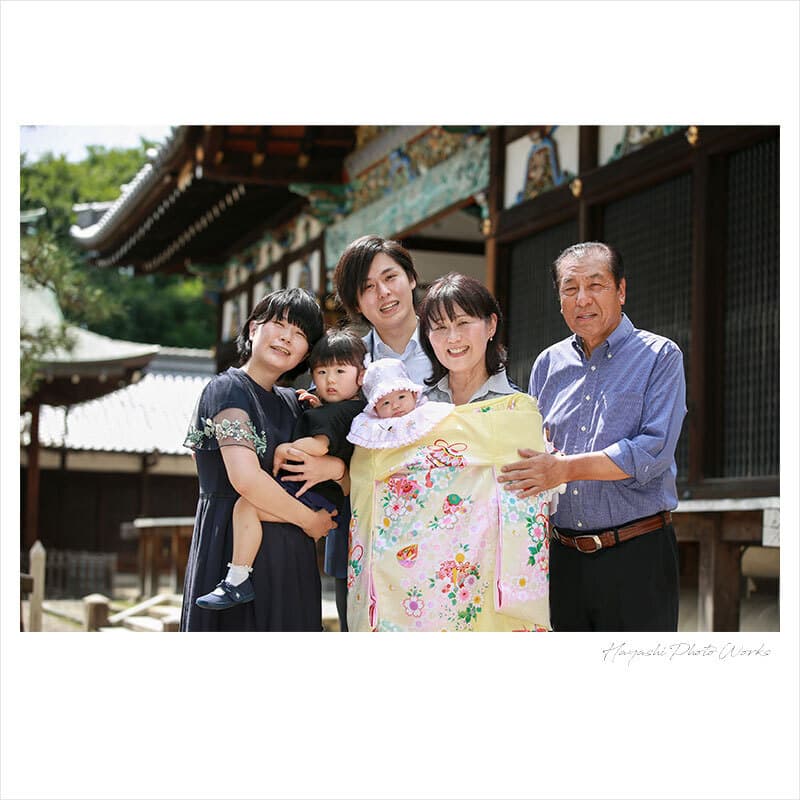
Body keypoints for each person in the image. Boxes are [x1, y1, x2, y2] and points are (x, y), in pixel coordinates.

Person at [346, 272, 554, 632]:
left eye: (463, 323)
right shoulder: (408, 413)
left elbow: (537, 497)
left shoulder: (516, 410)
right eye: (439, 327)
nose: (453, 338)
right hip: (417, 593)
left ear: (490, 325)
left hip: (489, 585)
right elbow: (369, 476)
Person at [498, 241, 687, 632]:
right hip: (561, 558)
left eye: (596, 285)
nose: (582, 298)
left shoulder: (660, 356)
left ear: (621, 290)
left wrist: (563, 470)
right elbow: (535, 450)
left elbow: (652, 452)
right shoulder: (548, 364)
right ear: (560, 299)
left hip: (638, 554)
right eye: (570, 288)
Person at [180, 288, 344, 632]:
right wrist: (309, 522)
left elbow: (344, 473)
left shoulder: (297, 403)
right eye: (280, 324)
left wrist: (334, 468)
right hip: (231, 548)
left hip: (292, 560)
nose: (287, 337)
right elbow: (246, 479)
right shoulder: (226, 390)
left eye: (300, 334)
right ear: (253, 328)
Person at [194, 328, 368, 619]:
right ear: (253, 328)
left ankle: (237, 578)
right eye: (322, 372)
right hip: (305, 513)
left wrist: (288, 448)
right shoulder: (336, 407)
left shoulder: (331, 410)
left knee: (246, 507)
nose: (330, 380)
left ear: (361, 376)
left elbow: (321, 447)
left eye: (340, 371)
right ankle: (237, 578)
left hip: (307, 510)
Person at [321, 235, 435, 627]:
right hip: (362, 528)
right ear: (355, 303)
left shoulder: (451, 343)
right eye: (367, 287)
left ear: (412, 278)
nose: (383, 293)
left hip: (441, 524)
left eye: (390, 277)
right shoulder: (343, 360)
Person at [347, 357, 454, 450]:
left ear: (413, 395)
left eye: (401, 397)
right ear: (375, 409)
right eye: (386, 403)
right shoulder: (374, 429)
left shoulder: (426, 413)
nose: (395, 405)